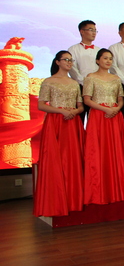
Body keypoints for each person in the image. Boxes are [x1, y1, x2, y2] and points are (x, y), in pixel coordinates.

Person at [34, 51, 85, 217]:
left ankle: (73, 199)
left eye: (71, 60)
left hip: (72, 122)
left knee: (72, 159)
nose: (69, 62)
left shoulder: (74, 83)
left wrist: (74, 111)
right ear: (57, 62)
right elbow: (41, 105)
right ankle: (55, 201)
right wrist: (61, 111)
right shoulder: (49, 81)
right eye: (66, 60)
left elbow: (81, 106)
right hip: (56, 121)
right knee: (56, 158)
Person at [82, 49, 124, 204]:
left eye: (110, 58)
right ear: (97, 60)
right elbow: (87, 100)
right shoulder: (90, 77)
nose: (108, 61)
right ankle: (97, 189)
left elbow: (120, 99)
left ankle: (117, 189)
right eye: (105, 58)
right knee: (97, 150)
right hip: (98, 116)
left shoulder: (116, 79)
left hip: (114, 116)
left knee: (115, 149)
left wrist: (116, 108)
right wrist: (105, 109)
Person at [68, 20, 101, 86]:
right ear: (82, 31)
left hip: (99, 85)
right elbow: (73, 69)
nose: (94, 33)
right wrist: (84, 83)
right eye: (91, 30)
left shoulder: (99, 50)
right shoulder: (73, 49)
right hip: (81, 85)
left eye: (95, 30)